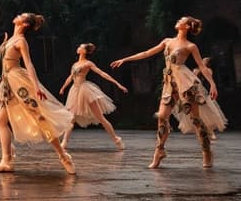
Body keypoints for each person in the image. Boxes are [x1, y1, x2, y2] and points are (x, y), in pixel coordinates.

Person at [111, 16, 225, 168]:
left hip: (184, 82)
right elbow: (146, 53)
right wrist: (125, 59)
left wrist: (212, 84)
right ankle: (159, 152)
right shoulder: (167, 41)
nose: (178, 21)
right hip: (169, 83)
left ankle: (206, 152)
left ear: (187, 26)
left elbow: (202, 66)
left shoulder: (190, 46)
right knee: (162, 117)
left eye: (182, 20)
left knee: (195, 119)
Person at [0, 13, 76, 174]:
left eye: (21, 16)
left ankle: (63, 156)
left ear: (25, 24)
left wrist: (36, 86)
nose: (17, 15)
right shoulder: (11, 39)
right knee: (2, 121)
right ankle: (6, 161)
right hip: (7, 83)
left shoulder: (21, 41)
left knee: (39, 116)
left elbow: (29, 64)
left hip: (18, 81)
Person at [58, 43, 127, 150]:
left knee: (100, 118)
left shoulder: (88, 63)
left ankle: (116, 139)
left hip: (85, 91)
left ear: (84, 51)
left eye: (80, 47)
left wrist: (117, 84)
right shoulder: (75, 64)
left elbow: (102, 73)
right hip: (75, 91)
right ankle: (64, 142)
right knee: (71, 118)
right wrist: (63, 87)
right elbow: (70, 77)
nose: (78, 48)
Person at [190, 57, 225, 141]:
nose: (202, 61)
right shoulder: (196, 70)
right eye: (202, 59)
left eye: (205, 60)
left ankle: (211, 132)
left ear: (208, 63)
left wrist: (199, 69)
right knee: (199, 114)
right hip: (196, 92)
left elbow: (206, 76)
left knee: (209, 112)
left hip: (204, 93)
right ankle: (202, 132)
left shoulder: (208, 70)